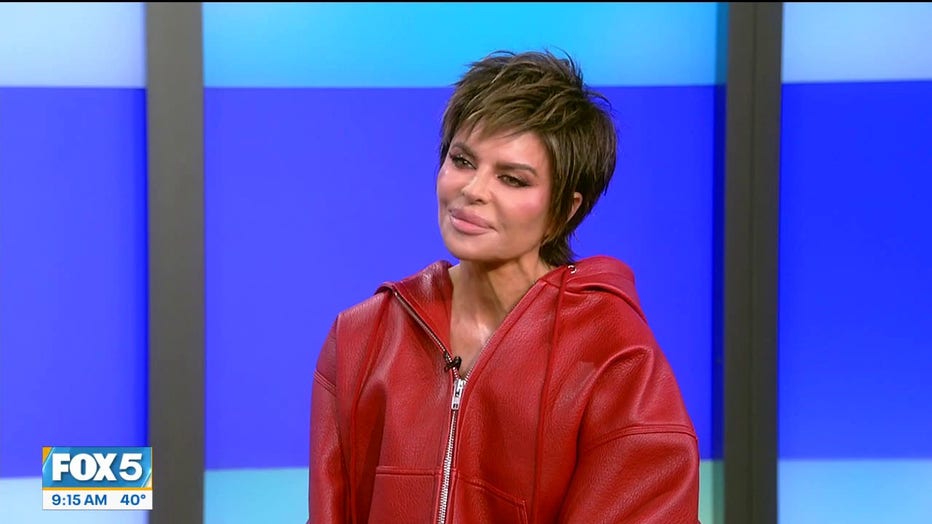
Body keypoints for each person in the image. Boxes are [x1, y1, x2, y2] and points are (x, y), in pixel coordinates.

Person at [309, 50, 700, 523]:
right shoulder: (361, 339)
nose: (474, 190)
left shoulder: (615, 356)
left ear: (564, 210)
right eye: (462, 160)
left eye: (512, 179)